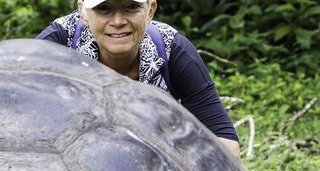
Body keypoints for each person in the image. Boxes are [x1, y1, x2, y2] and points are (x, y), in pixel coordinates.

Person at [38, 0, 241, 159]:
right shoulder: (58, 44)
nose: (118, 21)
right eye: (104, 8)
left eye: (131, 7)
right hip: (68, 163)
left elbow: (227, 147)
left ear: (150, 10)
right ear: (83, 11)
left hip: (152, 170)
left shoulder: (171, 50)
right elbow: (11, 107)